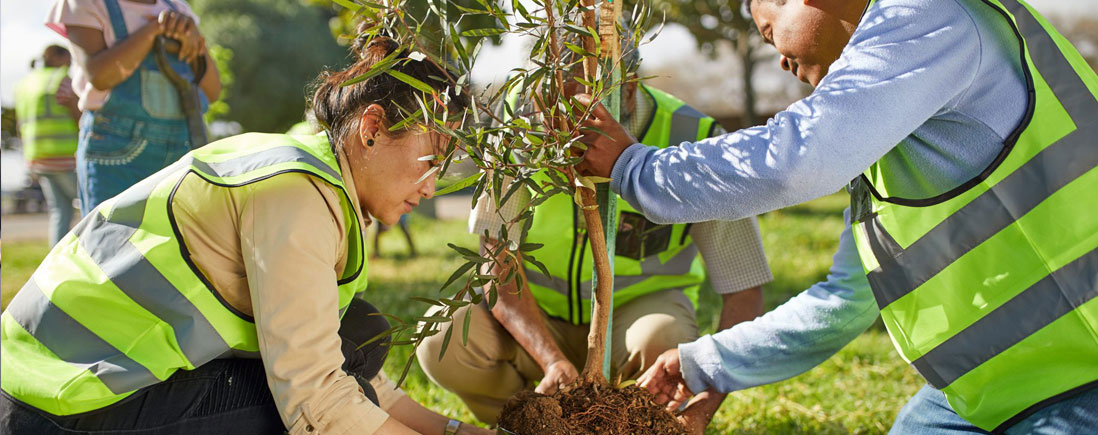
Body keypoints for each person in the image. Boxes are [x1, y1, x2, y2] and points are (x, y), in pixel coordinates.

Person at [575, 0, 1098, 433]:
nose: (779, 59)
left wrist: (632, 167)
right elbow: (846, 301)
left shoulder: (929, 15)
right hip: (998, 387)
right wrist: (702, 363)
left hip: (1081, 379)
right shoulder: (888, 137)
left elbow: (797, 160)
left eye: (767, 29)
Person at [0, 36, 490, 435]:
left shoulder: (309, 168)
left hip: (54, 376)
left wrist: (453, 430)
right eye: (431, 161)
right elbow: (318, 403)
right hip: (60, 404)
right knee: (325, 400)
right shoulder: (296, 195)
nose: (431, 189)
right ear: (372, 129)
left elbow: (350, 364)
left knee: (359, 335)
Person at [416, 40, 773, 432]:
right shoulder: (517, 126)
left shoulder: (694, 137)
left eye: (575, 111)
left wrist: (702, 407)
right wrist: (550, 359)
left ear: (630, 88)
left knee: (662, 340)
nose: (556, 129)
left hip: (636, 319)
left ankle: (641, 425)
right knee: (443, 340)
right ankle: (533, 422)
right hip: (538, 318)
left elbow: (744, 289)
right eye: (546, 106)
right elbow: (498, 265)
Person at [46, 0, 222, 212]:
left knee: (181, 242)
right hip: (115, 154)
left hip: (182, 150)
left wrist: (194, 39)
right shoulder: (85, 4)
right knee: (115, 241)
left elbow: (212, 91)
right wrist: (155, 29)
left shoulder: (178, 8)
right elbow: (100, 76)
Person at [13, 45, 82, 247]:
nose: (70, 66)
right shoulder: (60, 80)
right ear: (59, 58)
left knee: (60, 210)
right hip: (65, 156)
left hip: (37, 158)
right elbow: (79, 115)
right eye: (69, 60)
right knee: (89, 206)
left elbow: (20, 124)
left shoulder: (25, 84)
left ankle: (56, 259)